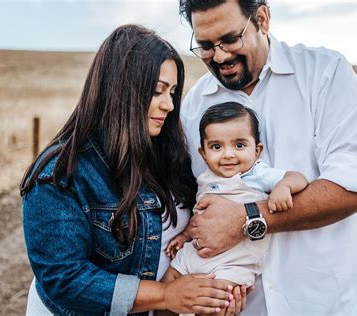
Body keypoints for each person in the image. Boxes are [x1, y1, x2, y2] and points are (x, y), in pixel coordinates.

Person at [178, 0, 357, 315]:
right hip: (241, 306)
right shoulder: (193, 105)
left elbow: (355, 187)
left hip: (328, 302)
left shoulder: (325, 73)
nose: (220, 55)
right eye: (206, 46)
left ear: (262, 19)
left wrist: (247, 218)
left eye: (230, 39)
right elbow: (193, 202)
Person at [20, 24, 241, 316]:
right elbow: (65, 280)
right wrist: (166, 295)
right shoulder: (60, 174)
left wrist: (218, 291)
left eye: (173, 92)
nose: (169, 105)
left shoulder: (169, 152)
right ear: (120, 89)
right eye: (157, 91)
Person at [157, 102, 307, 316]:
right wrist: (184, 236)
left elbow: (298, 178)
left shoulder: (256, 175)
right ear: (203, 153)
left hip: (232, 265)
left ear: (257, 151)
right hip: (195, 254)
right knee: (167, 288)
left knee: (215, 306)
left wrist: (283, 186)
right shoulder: (206, 179)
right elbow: (201, 217)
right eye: (217, 147)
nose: (228, 154)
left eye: (239, 145)